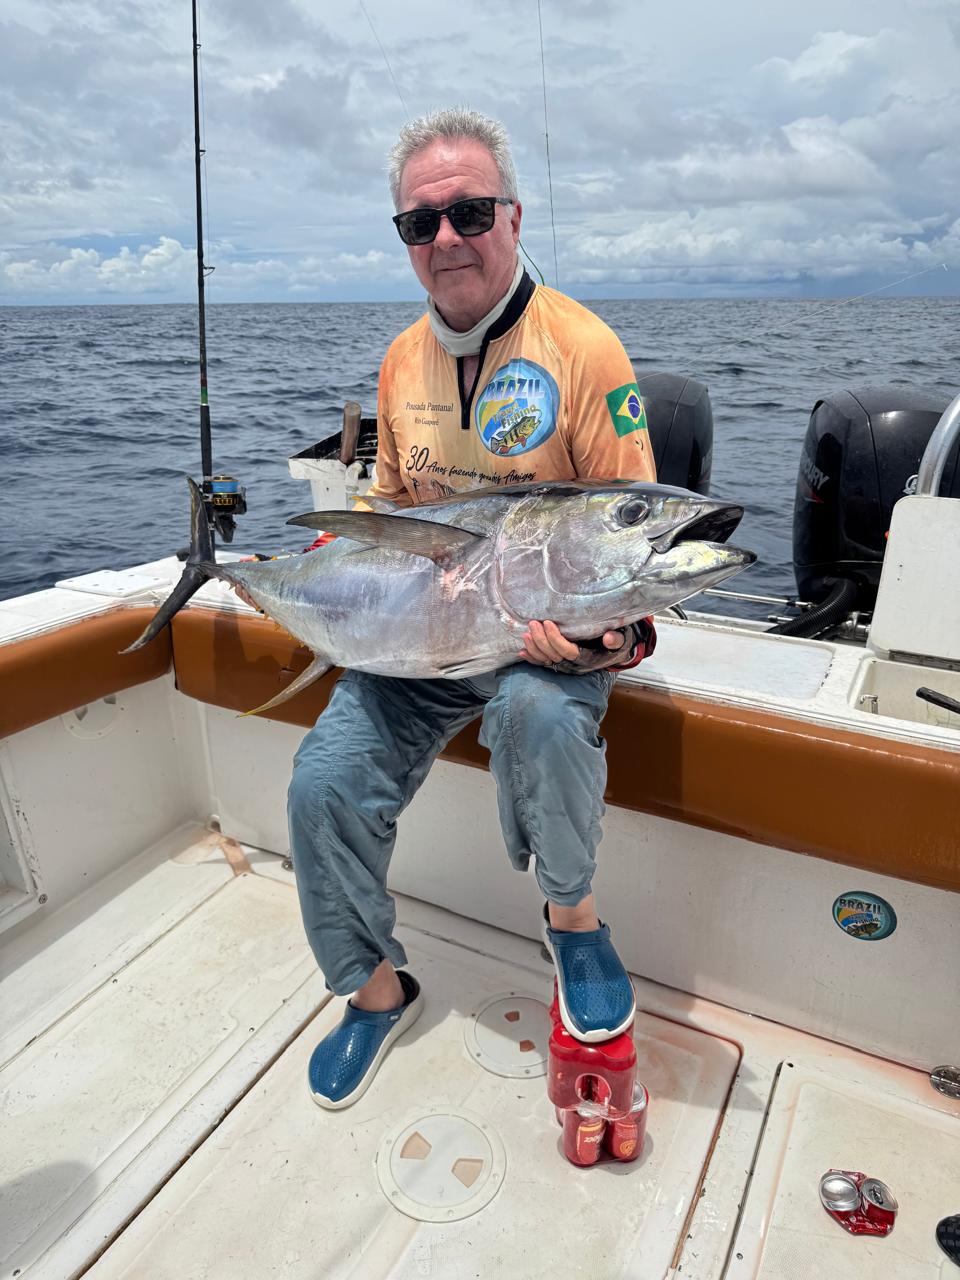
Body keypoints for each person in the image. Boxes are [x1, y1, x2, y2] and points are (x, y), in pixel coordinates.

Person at [287, 108, 657, 1110]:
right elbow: (390, 515)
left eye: (471, 212)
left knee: (542, 716)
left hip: (541, 642)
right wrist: (332, 562)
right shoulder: (400, 360)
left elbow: (630, 542)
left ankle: (573, 923)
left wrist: (605, 641)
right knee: (321, 782)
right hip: (421, 642)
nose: (447, 237)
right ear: (405, 238)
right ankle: (376, 988)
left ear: (513, 216)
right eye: (422, 222)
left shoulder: (585, 350)